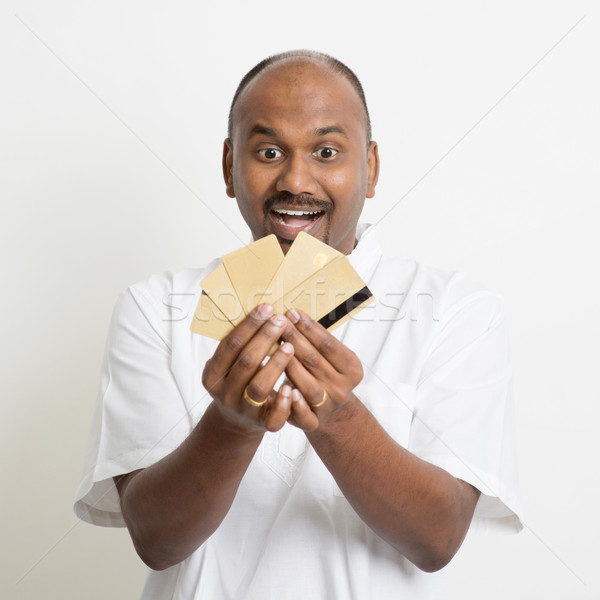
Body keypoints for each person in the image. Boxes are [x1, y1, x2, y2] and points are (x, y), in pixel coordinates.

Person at [74, 50, 521, 599]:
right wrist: (231, 427)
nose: (295, 179)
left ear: (371, 168)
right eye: (267, 152)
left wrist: (338, 420)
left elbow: (438, 538)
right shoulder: (155, 305)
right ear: (229, 168)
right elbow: (156, 539)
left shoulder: (455, 307)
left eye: (326, 151)